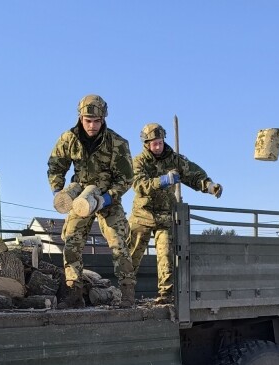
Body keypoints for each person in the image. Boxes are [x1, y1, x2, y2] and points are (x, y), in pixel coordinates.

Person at [47, 94, 135, 308]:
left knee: (118, 243)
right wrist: (59, 192)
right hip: (79, 197)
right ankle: (74, 292)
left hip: (107, 197)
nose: (92, 126)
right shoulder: (68, 139)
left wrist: (107, 198)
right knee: (72, 241)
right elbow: (55, 166)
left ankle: (127, 293)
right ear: (80, 117)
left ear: (103, 119)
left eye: (97, 121)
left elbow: (126, 178)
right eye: (88, 121)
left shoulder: (117, 143)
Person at [128, 123, 223, 304]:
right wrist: (162, 180)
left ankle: (166, 296)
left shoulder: (175, 160)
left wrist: (209, 186)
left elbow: (193, 174)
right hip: (142, 215)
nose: (158, 146)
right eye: (154, 143)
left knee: (166, 257)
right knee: (131, 257)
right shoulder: (139, 162)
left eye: (160, 142)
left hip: (165, 216)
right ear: (147, 144)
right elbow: (138, 185)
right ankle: (126, 295)